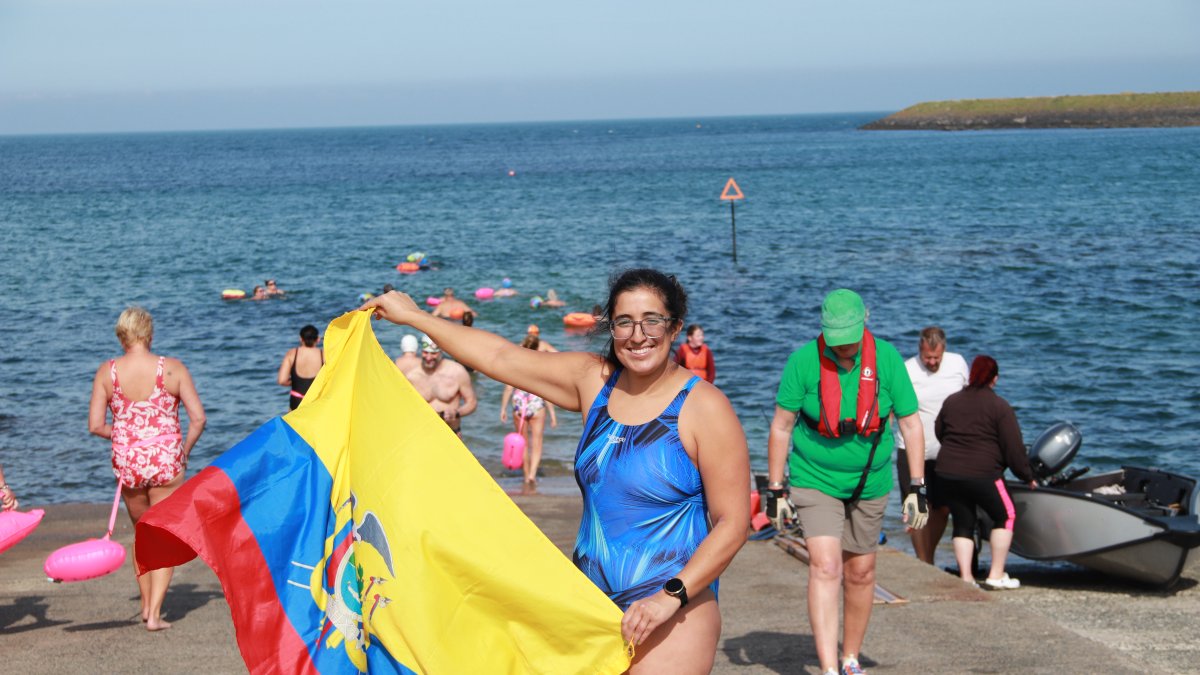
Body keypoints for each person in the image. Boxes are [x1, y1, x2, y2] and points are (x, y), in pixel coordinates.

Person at [361, 268, 749, 673]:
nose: (638, 335)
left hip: (674, 609)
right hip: (590, 608)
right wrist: (415, 317)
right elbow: (500, 357)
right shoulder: (595, 383)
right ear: (611, 328)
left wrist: (668, 598)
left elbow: (733, 522)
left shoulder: (703, 407)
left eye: (652, 320)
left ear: (675, 326)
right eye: (624, 322)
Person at [765, 289, 927, 675]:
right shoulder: (803, 362)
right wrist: (775, 490)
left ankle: (850, 658)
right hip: (814, 477)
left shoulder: (887, 359)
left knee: (861, 572)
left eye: (850, 340)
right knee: (825, 567)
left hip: (870, 482)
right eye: (836, 340)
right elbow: (781, 427)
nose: (843, 348)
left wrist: (917, 487)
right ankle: (828, 669)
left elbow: (910, 424)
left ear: (865, 322)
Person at [88, 306, 206, 631]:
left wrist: (128, 434)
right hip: (166, 459)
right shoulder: (172, 369)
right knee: (163, 536)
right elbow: (198, 419)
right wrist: (183, 450)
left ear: (121, 337)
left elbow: (95, 425)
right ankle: (154, 614)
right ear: (149, 334)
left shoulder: (107, 372)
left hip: (129, 462)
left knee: (142, 533)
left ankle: (143, 606)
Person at [935, 355, 1037, 590]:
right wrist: (1028, 476)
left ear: (971, 375)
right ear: (995, 379)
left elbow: (940, 431)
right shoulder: (999, 406)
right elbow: (1013, 448)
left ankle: (966, 578)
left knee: (963, 522)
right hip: (983, 473)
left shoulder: (952, 401)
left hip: (948, 472)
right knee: (1006, 515)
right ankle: (996, 574)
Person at [896, 326, 969, 564]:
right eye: (927, 357)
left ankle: (929, 558)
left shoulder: (958, 364)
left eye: (936, 357)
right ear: (920, 350)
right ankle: (924, 561)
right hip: (911, 450)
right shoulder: (908, 369)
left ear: (944, 350)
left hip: (947, 452)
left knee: (942, 508)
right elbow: (893, 409)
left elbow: (968, 399)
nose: (932, 362)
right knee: (916, 507)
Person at [500, 334, 558, 489]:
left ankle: (526, 476)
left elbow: (508, 388)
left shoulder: (516, 364)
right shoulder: (541, 365)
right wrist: (553, 414)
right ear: (537, 347)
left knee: (523, 442)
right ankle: (532, 474)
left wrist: (503, 408)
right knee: (537, 443)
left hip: (519, 403)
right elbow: (546, 391)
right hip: (536, 403)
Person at [403, 335, 477, 436]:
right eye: (425, 353)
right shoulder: (412, 376)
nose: (428, 357)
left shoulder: (457, 372)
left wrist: (456, 413)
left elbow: (472, 402)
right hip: (422, 434)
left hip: (451, 433)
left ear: (441, 352)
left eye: (433, 353)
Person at [277, 325, 324, 410]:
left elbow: (282, 380)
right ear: (317, 339)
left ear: (301, 339)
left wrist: (297, 382)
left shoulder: (292, 354)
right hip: (316, 401)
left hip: (296, 401)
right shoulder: (323, 355)